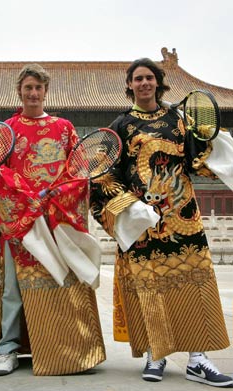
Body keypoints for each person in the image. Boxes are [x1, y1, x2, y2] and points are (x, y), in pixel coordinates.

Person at [90, 57, 233, 388]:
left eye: (149, 78)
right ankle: (157, 352)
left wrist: (216, 140)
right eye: (137, 78)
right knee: (150, 290)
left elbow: (199, 159)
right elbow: (102, 172)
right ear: (129, 85)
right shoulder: (121, 125)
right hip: (144, 222)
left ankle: (198, 358)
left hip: (182, 217)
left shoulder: (178, 119)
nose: (143, 83)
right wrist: (128, 208)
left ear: (158, 82)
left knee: (194, 284)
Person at [0, 63, 106, 376]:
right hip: (22, 222)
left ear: (45, 92)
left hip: (55, 218)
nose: (33, 93)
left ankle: (67, 345)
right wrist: (27, 201)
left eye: (38, 88)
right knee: (13, 286)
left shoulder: (64, 128)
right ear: (19, 92)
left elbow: (79, 172)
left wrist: (54, 199)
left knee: (62, 279)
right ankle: (8, 349)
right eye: (28, 88)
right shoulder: (7, 130)